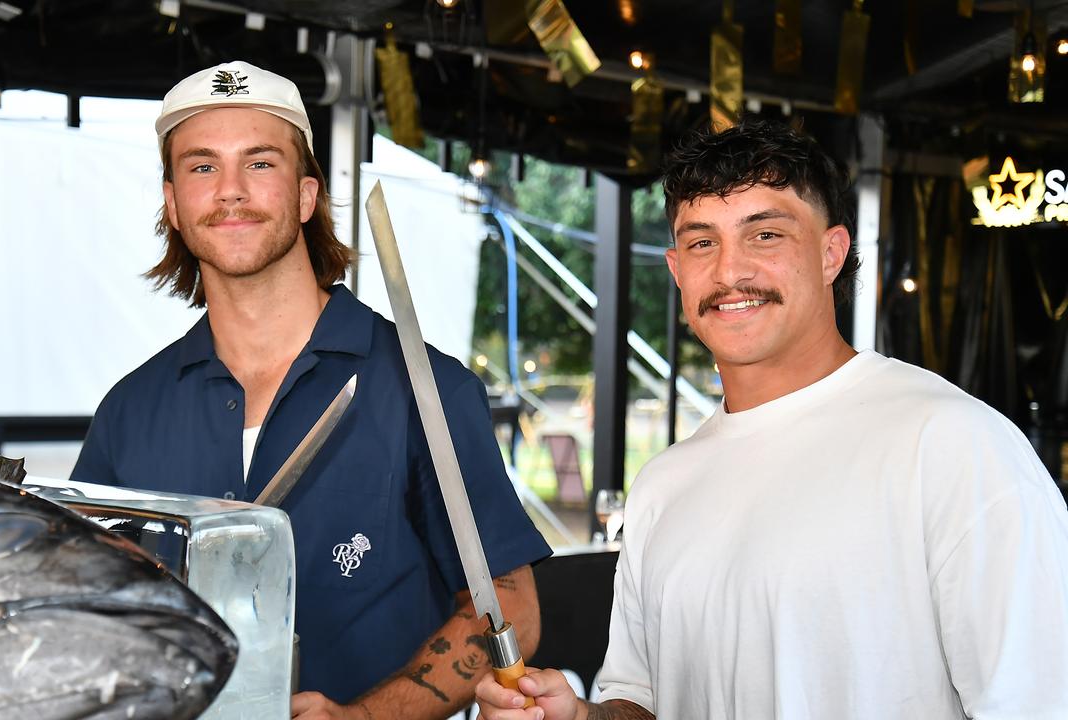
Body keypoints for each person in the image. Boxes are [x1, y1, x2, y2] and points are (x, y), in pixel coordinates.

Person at [476, 119, 1068, 720]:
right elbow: (644, 699)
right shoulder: (664, 484)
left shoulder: (953, 446)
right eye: (703, 242)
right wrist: (579, 718)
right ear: (677, 269)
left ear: (831, 253)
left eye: (765, 235)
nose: (731, 273)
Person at [71, 61, 551, 719]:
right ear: (173, 204)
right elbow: (86, 611)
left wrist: (361, 718)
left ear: (304, 196)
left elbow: (510, 611)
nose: (231, 190)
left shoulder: (423, 388)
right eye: (203, 166)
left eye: (260, 163)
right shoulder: (130, 412)